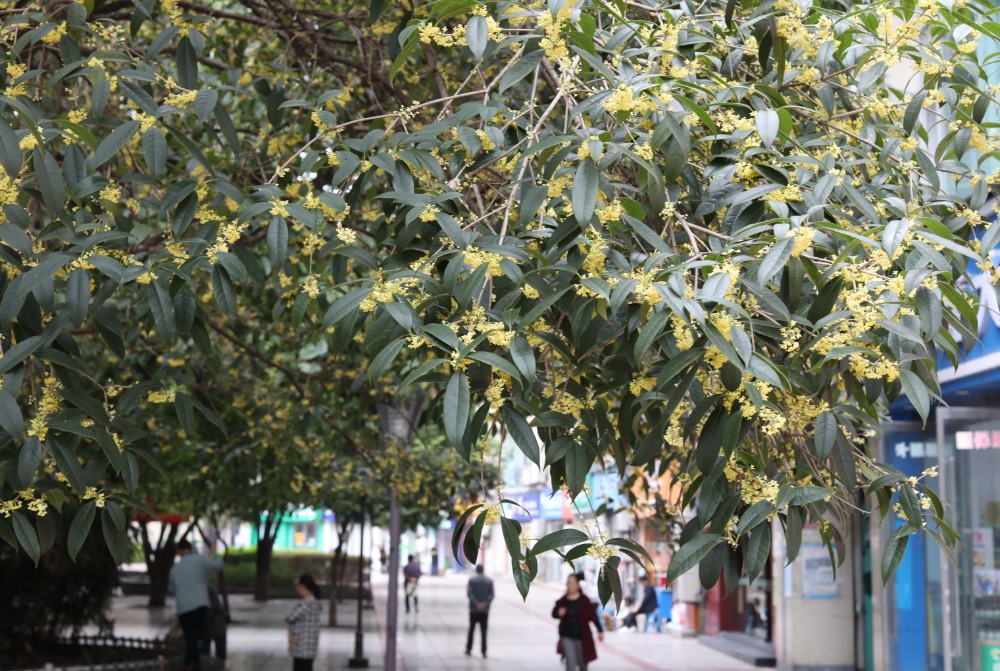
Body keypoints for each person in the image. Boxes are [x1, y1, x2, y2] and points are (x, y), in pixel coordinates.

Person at [168, 539, 223, 671]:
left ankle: (193, 662)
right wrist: (214, 553)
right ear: (191, 549)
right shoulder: (200, 561)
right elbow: (218, 566)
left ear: (179, 551)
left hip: (183, 607)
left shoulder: (175, 569)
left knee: (189, 636)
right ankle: (189, 663)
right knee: (196, 635)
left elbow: (171, 590)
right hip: (200, 604)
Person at [553, 572, 603, 671]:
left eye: (571, 583)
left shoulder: (584, 601)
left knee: (583, 663)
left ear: (577, 584)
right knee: (570, 663)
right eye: (568, 583)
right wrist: (559, 613)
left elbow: (593, 616)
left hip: (583, 636)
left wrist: (600, 630)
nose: (569, 585)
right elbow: (554, 613)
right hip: (567, 636)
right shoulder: (563, 601)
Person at [286, 574, 323, 671]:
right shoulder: (315, 602)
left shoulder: (306, 603)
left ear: (303, 587)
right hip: (309, 647)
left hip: (302, 647)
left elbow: (290, 617)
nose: (297, 589)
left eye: (297, 586)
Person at [465, 565, 494, 658]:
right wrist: (484, 604)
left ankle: (469, 649)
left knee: (471, 629)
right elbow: (491, 595)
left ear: (476, 570)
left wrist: (477, 603)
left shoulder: (472, 580)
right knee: (484, 631)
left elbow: (470, 593)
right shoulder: (489, 581)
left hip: (473, 609)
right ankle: (484, 651)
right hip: (484, 611)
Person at [201, 584, 228, 668]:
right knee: (205, 654)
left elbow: (212, 606)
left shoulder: (206, 589)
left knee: (217, 654)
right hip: (210, 626)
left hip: (213, 625)